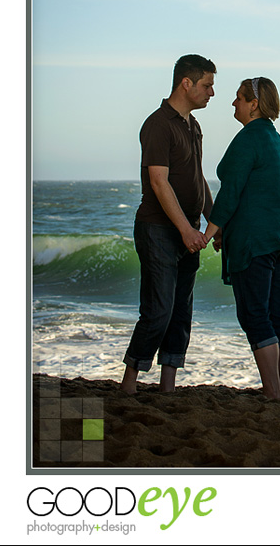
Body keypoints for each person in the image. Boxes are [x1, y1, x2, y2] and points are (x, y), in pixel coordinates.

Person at [120, 54, 217, 395]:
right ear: (185, 83)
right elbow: (159, 182)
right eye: (207, 85)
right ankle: (129, 384)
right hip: (159, 229)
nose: (212, 93)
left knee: (180, 313)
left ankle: (168, 387)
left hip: (189, 230)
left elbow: (197, 179)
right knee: (158, 311)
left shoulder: (193, 126)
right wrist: (186, 230)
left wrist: (214, 223)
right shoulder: (157, 124)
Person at [203, 77, 280, 399]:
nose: (233, 103)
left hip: (255, 241)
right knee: (277, 315)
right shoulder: (275, 139)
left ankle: (272, 393)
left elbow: (230, 194)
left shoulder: (248, 138)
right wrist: (225, 231)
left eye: (238, 98)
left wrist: (209, 232)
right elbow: (262, 193)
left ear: (254, 104)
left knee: (255, 315)